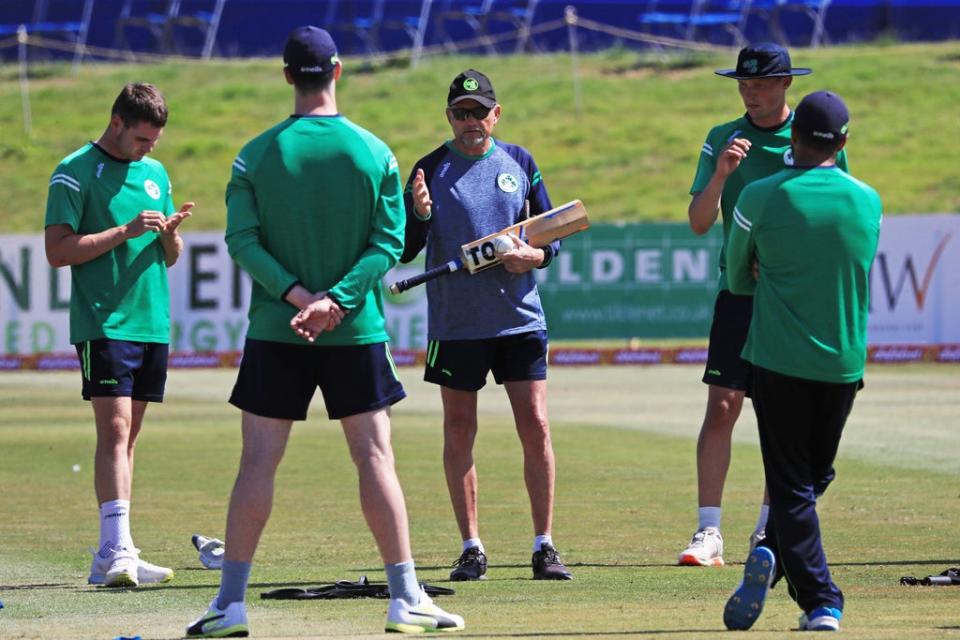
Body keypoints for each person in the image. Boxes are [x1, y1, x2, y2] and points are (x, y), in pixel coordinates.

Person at [185, 26, 464, 637]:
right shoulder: (375, 153)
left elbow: (242, 241)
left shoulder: (254, 155)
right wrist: (335, 300)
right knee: (375, 459)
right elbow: (389, 242)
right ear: (338, 70)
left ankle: (230, 605)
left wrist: (298, 298)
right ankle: (405, 598)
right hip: (355, 329)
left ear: (287, 75)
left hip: (277, 328)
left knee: (256, 462)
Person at [400, 69, 572, 582]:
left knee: (536, 425)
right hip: (456, 326)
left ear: (496, 114)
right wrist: (419, 214)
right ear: (449, 116)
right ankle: (471, 546)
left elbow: (553, 233)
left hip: (519, 320)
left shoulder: (520, 163)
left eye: (480, 112)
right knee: (459, 429)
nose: (471, 121)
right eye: (461, 112)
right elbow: (406, 249)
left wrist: (534, 256)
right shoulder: (428, 168)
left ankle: (544, 544)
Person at [679, 42, 848, 567]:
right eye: (743, 85)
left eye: (760, 84)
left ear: (785, 84)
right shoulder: (721, 138)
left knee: (783, 417)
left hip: (790, 300)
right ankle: (709, 533)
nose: (749, 93)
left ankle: (769, 531)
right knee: (723, 406)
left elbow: (833, 215)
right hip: (739, 294)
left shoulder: (815, 138)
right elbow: (700, 220)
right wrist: (724, 173)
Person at [721, 90, 881, 632]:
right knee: (813, 476)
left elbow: (738, 279)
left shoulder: (761, 197)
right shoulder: (868, 200)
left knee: (792, 486)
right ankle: (780, 551)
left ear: (794, 138)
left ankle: (819, 600)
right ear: (844, 141)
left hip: (779, 359)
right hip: (844, 363)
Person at [44, 82, 192, 588]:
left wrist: (170, 235)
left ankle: (113, 550)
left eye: (154, 141)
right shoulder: (73, 171)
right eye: (142, 140)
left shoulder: (155, 173)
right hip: (104, 320)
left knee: (129, 436)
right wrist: (124, 232)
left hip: (152, 319)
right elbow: (58, 250)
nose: (150, 150)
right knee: (114, 430)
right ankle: (116, 547)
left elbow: (169, 257)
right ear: (117, 124)